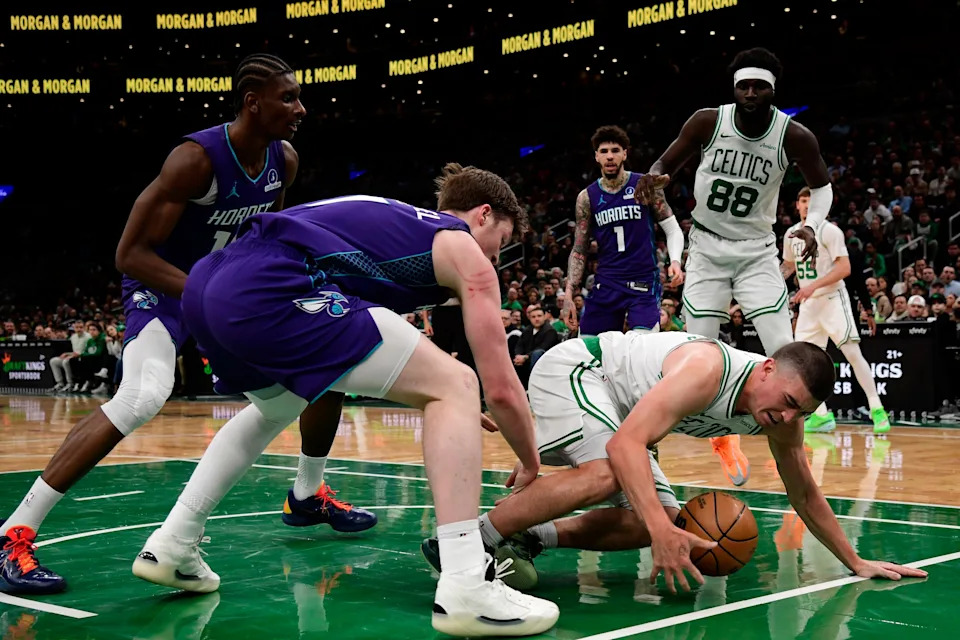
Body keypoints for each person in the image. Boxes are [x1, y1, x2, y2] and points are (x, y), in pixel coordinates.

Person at [132, 166, 559, 638]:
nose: (498, 255)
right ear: (483, 215)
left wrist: (439, 399)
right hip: (271, 282)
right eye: (501, 239)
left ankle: (173, 542)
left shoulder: (401, 228)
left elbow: (384, 344)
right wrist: (530, 458)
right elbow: (498, 387)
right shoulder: (460, 246)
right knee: (458, 383)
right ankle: (465, 584)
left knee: (278, 407)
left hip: (208, 285)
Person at [0, 54, 351, 596]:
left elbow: (267, 236)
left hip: (226, 291)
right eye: (288, 98)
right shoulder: (196, 160)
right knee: (143, 396)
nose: (300, 108)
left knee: (326, 363)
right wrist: (209, 293)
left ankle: (308, 496)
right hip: (164, 288)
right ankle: (13, 533)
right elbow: (129, 253)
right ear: (252, 102)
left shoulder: (285, 159)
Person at [419, 332, 925, 592]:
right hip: (578, 371)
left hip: (618, 413)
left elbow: (805, 494)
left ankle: (529, 538)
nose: (787, 415)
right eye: (788, 400)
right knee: (612, 473)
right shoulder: (709, 369)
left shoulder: (781, 418)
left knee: (660, 521)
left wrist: (854, 561)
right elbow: (623, 446)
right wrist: (663, 529)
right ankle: (466, 545)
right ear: (768, 367)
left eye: (801, 412)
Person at [634, 47, 833, 487]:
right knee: (696, 353)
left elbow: (822, 188)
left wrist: (811, 224)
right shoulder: (708, 121)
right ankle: (709, 437)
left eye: (758, 86)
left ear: (772, 90)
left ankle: (792, 456)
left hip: (756, 250)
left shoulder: (794, 135)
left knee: (785, 348)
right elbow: (664, 163)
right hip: (705, 247)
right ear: (734, 88)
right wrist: (656, 176)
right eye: (743, 85)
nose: (749, 93)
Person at [781, 188, 890, 433]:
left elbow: (845, 268)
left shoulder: (829, 231)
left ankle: (877, 409)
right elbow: (789, 266)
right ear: (796, 206)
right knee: (804, 362)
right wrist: (770, 279)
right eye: (803, 201)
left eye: (811, 201)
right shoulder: (790, 234)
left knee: (852, 353)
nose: (807, 206)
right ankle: (821, 415)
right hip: (809, 305)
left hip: (832, 299)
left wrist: (812, 288)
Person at [562, 125, 684, 335]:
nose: (610, 157)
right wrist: (569, 292)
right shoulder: (587, 197)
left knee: (641, 348)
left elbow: (672, 229)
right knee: (589, 348)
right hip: (607, 282)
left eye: (615, 151)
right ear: (596, 157)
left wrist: (675, 261)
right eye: (604, 152)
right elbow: (579, 250)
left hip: (643, 282)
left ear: (625, 154)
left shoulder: (644, 185)